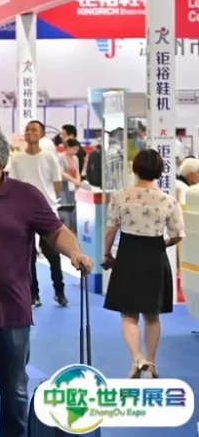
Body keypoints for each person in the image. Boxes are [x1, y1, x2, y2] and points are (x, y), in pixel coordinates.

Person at [0, 127, 93, 437]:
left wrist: (76, 253)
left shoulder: (26, 197)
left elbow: (56, 232)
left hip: (12, 311)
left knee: (14, 389)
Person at [103, 149, 184, 378]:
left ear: (135, 168)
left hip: (128, 256)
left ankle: (137, 358)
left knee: (128, 314)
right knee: (152, 315)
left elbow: (110, 230)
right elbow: (178, 234)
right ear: (159, 171)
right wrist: (161, 244)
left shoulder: (121, 197)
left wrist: (106, 254)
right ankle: (151, 363)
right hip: (155, 258)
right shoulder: (169, 201)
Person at [9, 120, 67, 307]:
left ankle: (59, 291)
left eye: (34, 130)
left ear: (41, 134)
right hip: (23, 212)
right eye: (27, 130)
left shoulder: (50, 157)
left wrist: (44, 197)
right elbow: (13, 185)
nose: (29, 133)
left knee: (53, 253)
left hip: (47, 210)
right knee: (28, 256)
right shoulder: (17, 158)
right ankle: (33, 294)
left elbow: (57, 185)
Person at [58, 138, 82, 231]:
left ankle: (72, 229)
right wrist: (73, 180)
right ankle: (64, 227)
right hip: (63, 185)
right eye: (74, 149)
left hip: (72, 186)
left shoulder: (75, 158)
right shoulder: (61, 157)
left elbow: (77, 172)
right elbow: (61, 173)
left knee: (72, 207)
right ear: (68, 147)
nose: (76, 151)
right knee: (64, 207)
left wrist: (78, 181)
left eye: (77, 149)